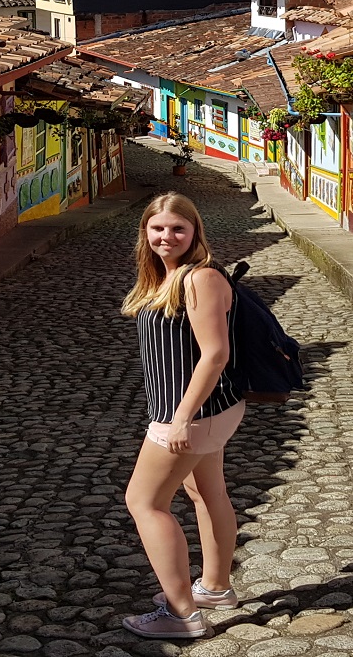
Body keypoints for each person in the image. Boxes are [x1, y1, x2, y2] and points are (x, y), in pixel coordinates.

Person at [120, 192, 245, 640]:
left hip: (192, 412)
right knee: (206, 492)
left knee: (145, 502)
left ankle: (182, 614)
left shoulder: (200, 278)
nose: (166, 236)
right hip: (204, 411)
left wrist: (180, 419)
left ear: (195, 232)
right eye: (158, 228)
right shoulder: (165, 277)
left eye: (178, 228)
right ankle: (215, 587)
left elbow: (214, 355)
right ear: (145, 232)